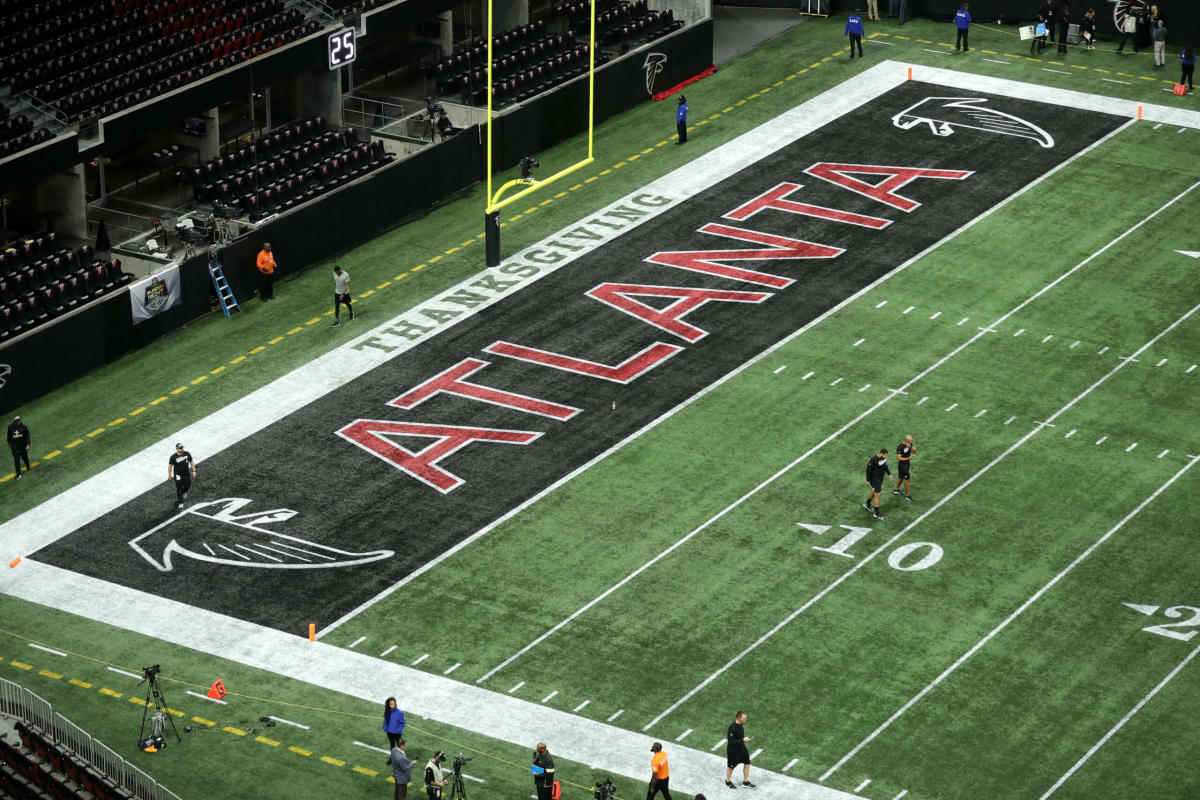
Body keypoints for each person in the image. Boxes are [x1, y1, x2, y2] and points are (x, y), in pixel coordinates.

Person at [725, 711, 755, 789]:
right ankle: (728, 781)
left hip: (742, 748)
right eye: (744, 718)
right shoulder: (732, 727)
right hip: (733, 751)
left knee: (747, 763)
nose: (745, 719)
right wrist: (743, 740)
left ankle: (745, 782)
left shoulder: (741, 725)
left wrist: (743, 740)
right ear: (739, 718)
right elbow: (731, 742)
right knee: (731, 766)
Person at [863, 448, 890, 521]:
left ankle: (867, 504)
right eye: (885, 456)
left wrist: (889, 474)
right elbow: (868, 470)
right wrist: (868, 480)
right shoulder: (873, 460)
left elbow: (885, 466)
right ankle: (877, 513)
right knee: (877, 494)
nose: (885, 457)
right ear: (881, 453)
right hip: (874, 479)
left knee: (874, 491)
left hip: (880, 479)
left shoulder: (883, 458)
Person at [167, 442, 196, 509]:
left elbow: (191, 461)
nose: (182, 449)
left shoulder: (187, 454)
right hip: (178, 475)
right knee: (179, 488)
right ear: (177, 449)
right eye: (180, 448)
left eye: (182, 447)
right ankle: (180, 502)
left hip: (186, 474)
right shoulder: (173, 457)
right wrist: (169, 475)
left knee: (188, 485)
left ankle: (184, 492)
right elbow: (170, 466)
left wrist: (194, 470)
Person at [892, 435, 916, 501]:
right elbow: (899, 458)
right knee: (907, 479)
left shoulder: (910, 444)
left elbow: (915, 451)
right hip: (902, 465)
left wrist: (911, 447)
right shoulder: (900, 447)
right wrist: (909, 458)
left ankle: (896, 489)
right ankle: (908, 496)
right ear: (906, 441)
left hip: (907, 463)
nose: (911, 442)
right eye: (910, 441)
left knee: (901, 477)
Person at [7, 414, 30, 480]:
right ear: (14, 421)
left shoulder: (24, 427)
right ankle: (18, 474)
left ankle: (28, 465)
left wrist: (28, 444)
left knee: (25, 457)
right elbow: (9, 435)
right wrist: (8, 442)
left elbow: (27, 436)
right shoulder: (10, 427)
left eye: (19, 420)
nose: (18, 422)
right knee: (16, 461)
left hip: (23, 446)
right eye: (16, 421)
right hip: (14, 447)